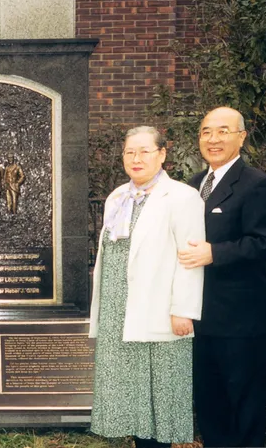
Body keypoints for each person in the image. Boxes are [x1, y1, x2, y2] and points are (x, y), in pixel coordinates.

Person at [89, 126, 205, 447]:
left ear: (162, 155)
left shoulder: (182, 197)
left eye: (145, 151)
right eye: (130, 152)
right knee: (131, 401)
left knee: (159, 400)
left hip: (159, 312)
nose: (136, 159)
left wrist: (183, 309)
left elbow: (190, 256)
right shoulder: (117, 196)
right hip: (118, 315)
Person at [178, 107, 266, 447]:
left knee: (245, 409)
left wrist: (215, 253)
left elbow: (264, 243)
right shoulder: (191, 186)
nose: (213, 139)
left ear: (241, 136)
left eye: (223, 131)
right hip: (199, 319)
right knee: (210, 408)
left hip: (240, 321)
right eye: (206, 131)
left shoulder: (257, 183)